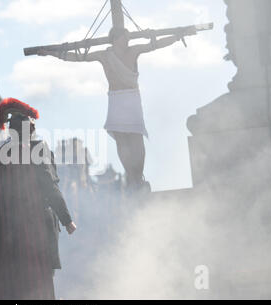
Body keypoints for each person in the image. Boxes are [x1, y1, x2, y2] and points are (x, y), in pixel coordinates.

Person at [40, 27, 195, 192]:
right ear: (115, 39)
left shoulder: (134, 50)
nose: (127, 40)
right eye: (124, 37)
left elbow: (155, 44)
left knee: (136, 137)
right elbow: (78, 57)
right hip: (116, 98)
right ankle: (131, 176)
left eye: (128, 37)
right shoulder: (104, 55)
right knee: (121, 139)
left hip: (132, 97)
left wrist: (177, 36)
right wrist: (51, 53)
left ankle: (139, 176)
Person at [0, 98, 77, 299]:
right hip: (34, 231)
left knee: (14, 284)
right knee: (40, 282)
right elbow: (49, 185)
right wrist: (67, 219)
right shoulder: (36, 150)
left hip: (7, 233)